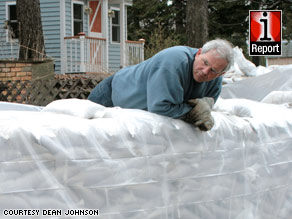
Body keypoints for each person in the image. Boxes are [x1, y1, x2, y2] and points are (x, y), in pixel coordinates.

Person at [88, 39, 234, 131]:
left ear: (221, 74)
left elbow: (205, 109)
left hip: (134, 110)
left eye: (213, 70)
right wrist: (192, 112)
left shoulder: (215, 83)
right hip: (111, 94)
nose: (205, 71)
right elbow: (160, 108)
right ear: (199, 53)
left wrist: (202, 111)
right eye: (205, 62)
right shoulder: (174, 61)